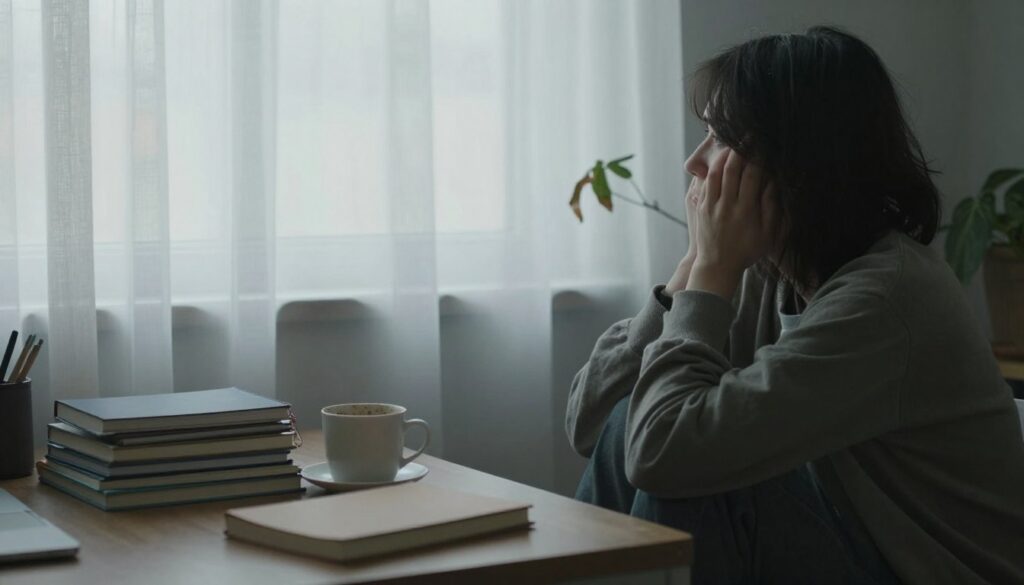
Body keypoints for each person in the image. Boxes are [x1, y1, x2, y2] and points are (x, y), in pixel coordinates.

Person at [565, 26, 1024, 585]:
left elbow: (663, 455)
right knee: (632, 423)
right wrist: (688, 274)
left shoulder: (887, 299)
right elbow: (593, 425)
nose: (695, 163)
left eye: (720, 138)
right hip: (853, 545)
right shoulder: (770, 272)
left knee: (696, 479)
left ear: (799, 162)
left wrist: (710, 273)